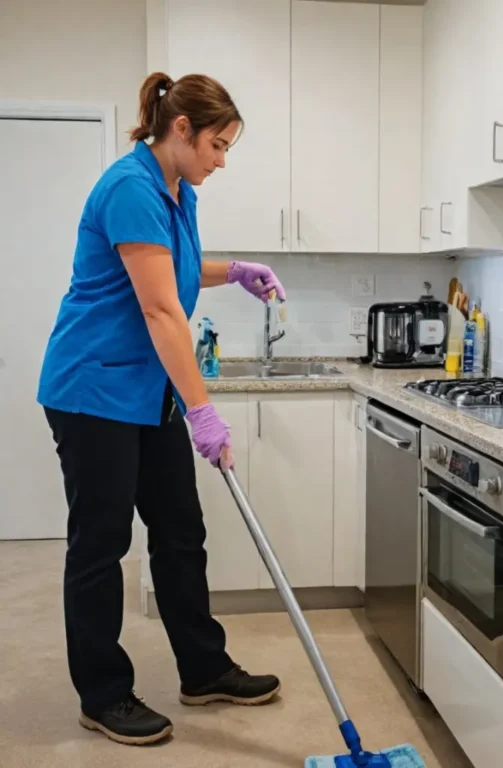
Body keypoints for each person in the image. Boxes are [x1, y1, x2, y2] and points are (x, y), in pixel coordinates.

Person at [36, 71, 287, 746]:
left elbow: (176, 266)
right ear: (181, 130)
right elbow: (158, 307)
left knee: (180, 530)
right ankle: (104, 694)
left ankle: (203, 669)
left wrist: (232, 271)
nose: (222, 160)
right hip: (94, 391)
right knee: (102, 542)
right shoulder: (128, 187)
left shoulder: (177, 189)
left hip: (147, 392)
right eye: (218, 145)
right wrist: (204, 411)